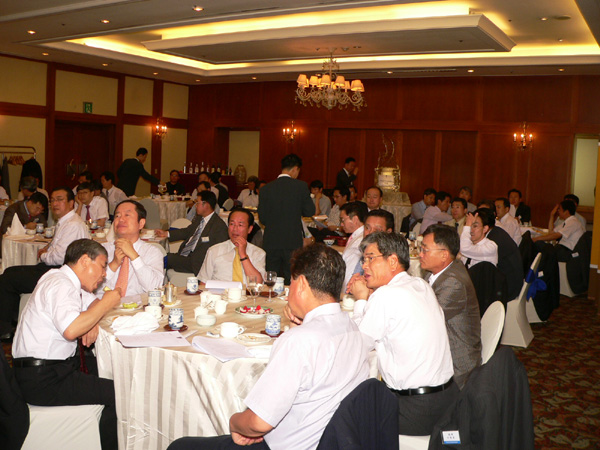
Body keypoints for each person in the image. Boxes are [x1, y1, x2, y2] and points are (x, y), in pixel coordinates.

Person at [168, 244, 369, 450]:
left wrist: (234, 423)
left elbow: (258, 423)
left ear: (301, 284)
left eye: (292, 282)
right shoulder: (352, 329)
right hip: (332, 441)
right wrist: (298, 326)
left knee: (180, 446)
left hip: (286, 446)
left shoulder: (300, 341)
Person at [12, 239, 121, 450]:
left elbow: (92, 303)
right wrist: (105, 304)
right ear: (84, 261)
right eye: (102, 266)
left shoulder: (63, 279)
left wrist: (92, 319)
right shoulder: (60, 284)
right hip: (43, 379)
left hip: (49, 370)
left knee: (113, 369)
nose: (104, 274)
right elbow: (71, 329)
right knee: (120, 392)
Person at [346, 232, 456, 435]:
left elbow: (358, 345)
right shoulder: (420, 285)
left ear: (393, 261)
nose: (364, 266)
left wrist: (361, 299)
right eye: (363, 260)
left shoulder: (386, 295)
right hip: (449, 401)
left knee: (346, 415)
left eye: (370, 258)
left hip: (416, 410)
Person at [0, 187, 90, 340]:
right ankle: (13, 322)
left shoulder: (73, 225)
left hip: (60, 272)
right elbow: (56, 247)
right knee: (9, 271)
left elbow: (59, 258)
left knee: (7, 279)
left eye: (60, 200)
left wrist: (43, 255)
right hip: (54, 268)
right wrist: (47, 249)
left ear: (71, 203)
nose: (55, 203)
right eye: (52, 200)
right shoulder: (66, 222)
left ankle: (5, 329)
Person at [420, 224, 481, 389]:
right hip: (440, 347)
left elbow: (425, 322)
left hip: (456, 361)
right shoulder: (434, 272)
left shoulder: (453, 282)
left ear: (444, 255)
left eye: (425, 250)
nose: (420, 254)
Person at [258, 153, 315, 284]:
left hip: (271, 241)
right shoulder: (301, 186)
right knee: (292, 279)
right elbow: (310, 211)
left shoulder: (266, 189)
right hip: (292, 241)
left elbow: (263, 218)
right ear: (295, 169)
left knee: (271, 279)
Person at [96, 200, 164, 296]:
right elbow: (90, 287)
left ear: (141, 223)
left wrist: (134, 256)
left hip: (138, 304)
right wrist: (113, 264)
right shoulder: (102, 250)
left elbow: (155, 288)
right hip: (104, 303)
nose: (121, 219)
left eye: (127, 215)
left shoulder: (152, 252)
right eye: (117, 216)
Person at [156, 190, 228, 275]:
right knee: (159, 254)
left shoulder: (219, 226)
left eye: (197, 203)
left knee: (164, 257)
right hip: (185, 256)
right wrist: (167, 233)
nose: (195, 206)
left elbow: (220, 251)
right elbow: (187, 232)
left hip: (198, 263)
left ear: (206, 204)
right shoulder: (199, 219)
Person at [198, 207, 265, 283]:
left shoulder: (258, 253)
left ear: (249, 229)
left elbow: (258, 283)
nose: (235, 229)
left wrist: (243, 255)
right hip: (220, 291)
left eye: (240, 225)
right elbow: (203, 283)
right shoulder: (214, 251)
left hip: (246, 291)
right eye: (232, 224)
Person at [340, 202, 367, 292]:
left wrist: (343, 293)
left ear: (355, 219)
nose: (341, 224)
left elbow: (349, 273)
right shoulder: (356, 236)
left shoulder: (359, 241)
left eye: (343, 220)